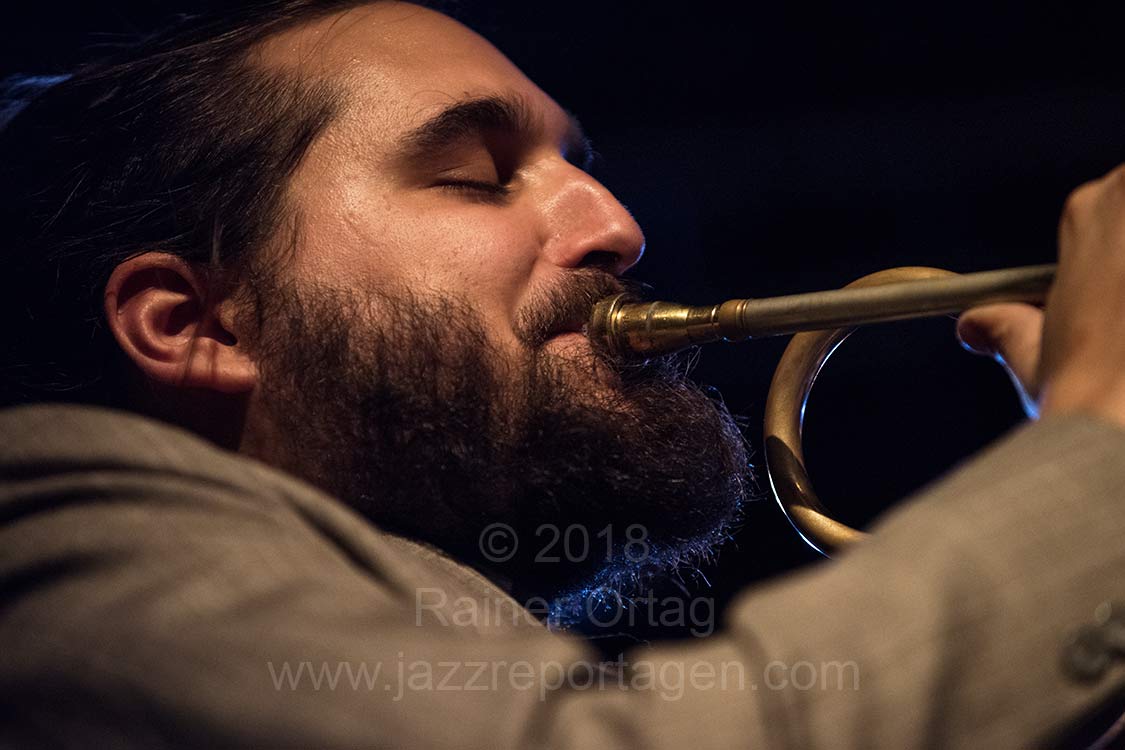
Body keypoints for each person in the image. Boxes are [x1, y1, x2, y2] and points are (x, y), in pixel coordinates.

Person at [0, 1, 1123, 747]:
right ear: (196, 325)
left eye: (579, 169)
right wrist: (1093, 463)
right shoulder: (43, 547)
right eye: (475, 176)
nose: (620, 227)